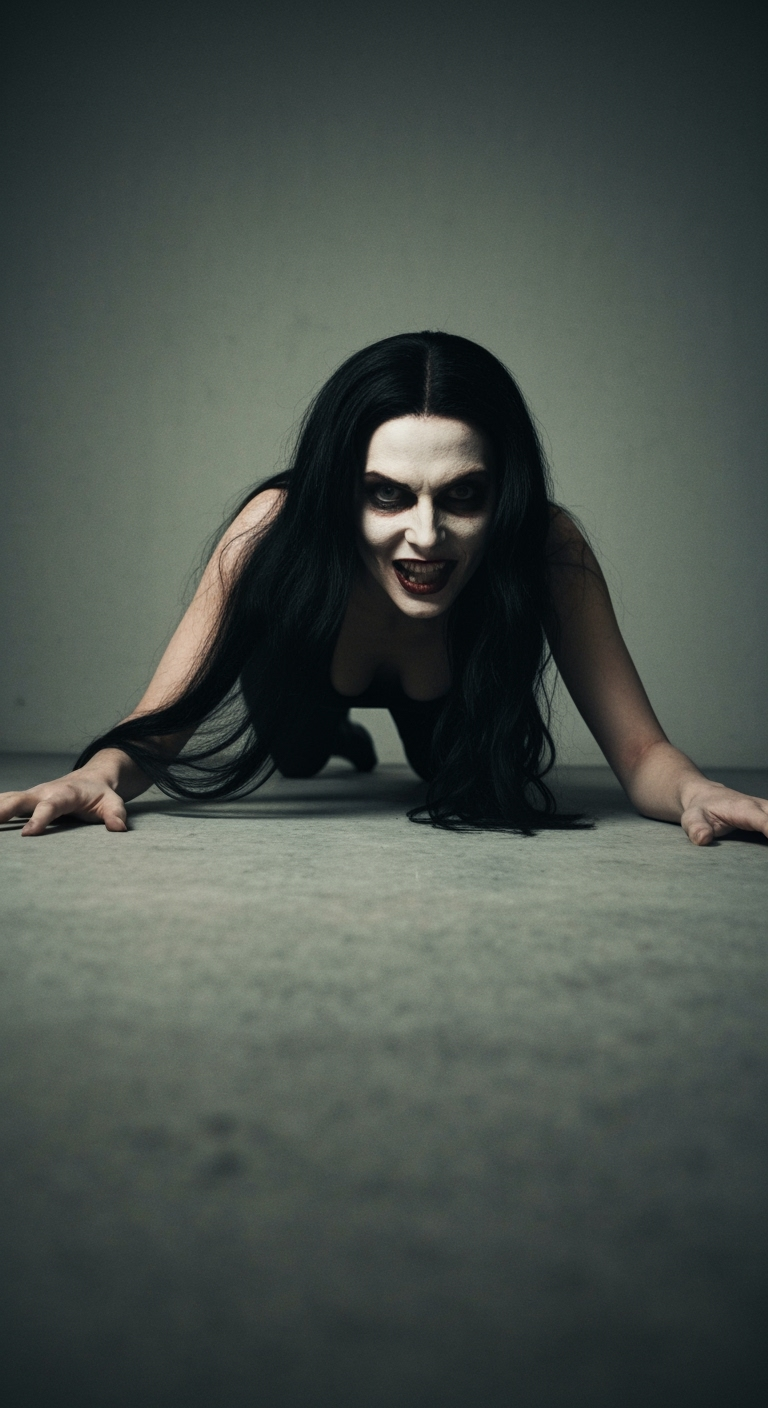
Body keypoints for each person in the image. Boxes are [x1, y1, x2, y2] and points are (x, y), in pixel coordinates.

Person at [2, 331, 767, 844]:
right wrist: (94, 775)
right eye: (388, 494)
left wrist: (694, 791)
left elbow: (641, 753)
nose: (427, 536)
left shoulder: (545, 544)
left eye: (463, 496)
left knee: (456, 782)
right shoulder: (271, 529)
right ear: (340, 490)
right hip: (301, 688)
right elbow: (157, 728)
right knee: (299, 752)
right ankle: (337, 734)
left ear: (505, 493)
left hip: (442, 697)